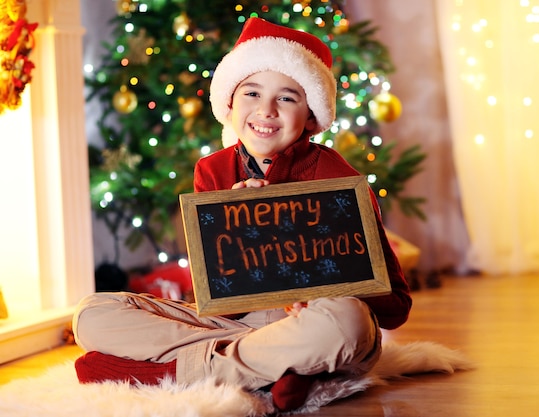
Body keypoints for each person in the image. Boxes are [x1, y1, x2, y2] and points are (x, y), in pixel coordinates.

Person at [73, 17, 412, 412]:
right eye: (252, 92)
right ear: (230, 103)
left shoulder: (340, 179)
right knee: (91, 315)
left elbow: (395, 309)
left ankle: (176, 373)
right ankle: (276, 372)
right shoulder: (212, 171)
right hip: (236, 327)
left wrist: (327, 281)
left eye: (287, 98)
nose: (266, 110)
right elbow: (212, 303)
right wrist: (232, 227)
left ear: (311, 117)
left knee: (347, 322)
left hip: (311, 324)